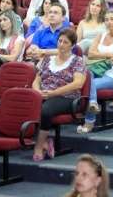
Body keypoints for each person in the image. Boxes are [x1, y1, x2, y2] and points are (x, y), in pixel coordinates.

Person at [32, 29, 85, 161]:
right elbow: (36, 80)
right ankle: (45, 140)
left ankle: (39, 145)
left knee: (45, 110)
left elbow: (78, 84)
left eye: (65, 42)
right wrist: (37, 91)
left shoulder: (77, 61)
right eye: (60, 41)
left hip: (67, 97)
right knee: (27, 104)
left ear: (72, 45)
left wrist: (53, 93)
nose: (61, 44)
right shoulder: (47, 59)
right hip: (44, 93)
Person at [79, 10, 113, 133]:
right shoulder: (100, 36)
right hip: (95, 71)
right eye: (106, 20)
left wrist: (99, 54)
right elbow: (90, 54)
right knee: (85, 75)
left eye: (112, 19)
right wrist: (108, 54)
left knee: (90, 85)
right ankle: (92, 103)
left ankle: (89, 121)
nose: (108, 22)